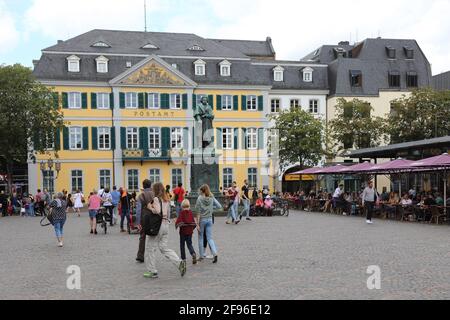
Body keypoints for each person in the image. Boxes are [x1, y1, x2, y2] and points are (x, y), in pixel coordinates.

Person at [143, 182, 185, 279]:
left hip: (158, 225)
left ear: (156, 190)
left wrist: (150, 207)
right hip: (166, 225)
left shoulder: (157, 199)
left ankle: (152, 271)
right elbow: (168, 213)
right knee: (163, 248)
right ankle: (179, 262)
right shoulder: (166, 199)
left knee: (150, 248)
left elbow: (157, 211)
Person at [195, 184, 221, 263]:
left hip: (202, 220)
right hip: (209, 219)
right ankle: (215, 253)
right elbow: (219, 206)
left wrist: (197, 224)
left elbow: (198, 212)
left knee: (200, 238)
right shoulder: (211, 197)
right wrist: (211, 208)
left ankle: (201, 256)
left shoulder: (199, 199)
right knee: (210, 238)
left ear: (202, 191)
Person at [136, 179, 155, 263]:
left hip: (144, 217)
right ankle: (152, 256)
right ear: (150, 185)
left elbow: (138, 210)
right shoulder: (155, 194)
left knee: (142, 237)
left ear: (143, 186)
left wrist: (137, 222)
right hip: (154, 217)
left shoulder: (141, 196)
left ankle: (140, 256)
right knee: (153, 236)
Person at [175, 199, 197, 265]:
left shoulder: (181, 212)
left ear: (182, 205)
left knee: (182, 245)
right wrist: (191, 228)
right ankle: (193, 253)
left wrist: (177, 224)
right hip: (189, 232)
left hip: (183, 232)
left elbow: (179, 221)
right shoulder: (190, 212)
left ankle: (183, 258)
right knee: (189, 244)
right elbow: (193, 222)